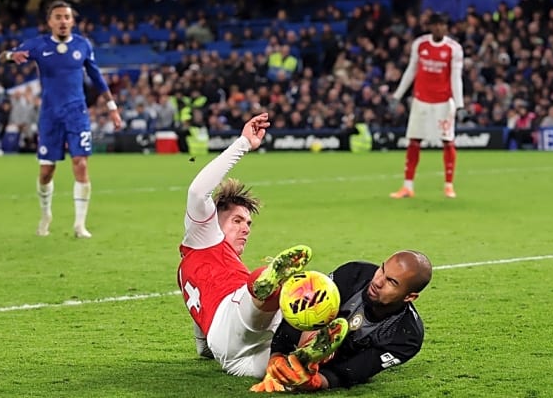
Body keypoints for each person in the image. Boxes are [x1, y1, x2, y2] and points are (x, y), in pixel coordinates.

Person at [178, 112, 349, 378]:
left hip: (231, 356)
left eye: (248, 224)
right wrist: (243, 144)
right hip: (235, 315)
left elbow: (200, 321)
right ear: (212, 218)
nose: (245, 228)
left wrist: (202, 348)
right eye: (237, 220)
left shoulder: (192, 264)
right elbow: (197, 192)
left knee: (288, 368)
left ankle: (304, 354)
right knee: (264, 284)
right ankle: (272, 287)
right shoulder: (205, 237)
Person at [0, 0, 122, 238]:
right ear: (50, 22)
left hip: (77, 113)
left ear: (72, 21)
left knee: (81, 164)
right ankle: (46, 214)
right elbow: (3, 55)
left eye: (67, 17)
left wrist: (112, 107)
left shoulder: (83, 45)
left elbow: (97, 77)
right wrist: (11, 57)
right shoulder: (38, 45)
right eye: (58, 17)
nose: (63, 21)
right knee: (46, 171)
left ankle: (79, 225)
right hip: (50, 115)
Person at [251, 250, 432, 392]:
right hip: (281, 330)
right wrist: (277, 355)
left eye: (391, 282)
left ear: (410, 296)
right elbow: (302, 314)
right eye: (382, 269)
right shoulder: (353, 273)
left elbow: (355, 371)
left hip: (330, 363)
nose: (378, 282)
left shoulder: (407, 337)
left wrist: (314, 382)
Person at [390, 12, 464, 199]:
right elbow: (411, 69)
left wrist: (460, 104)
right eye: (435, 24)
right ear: (430, 27)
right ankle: (407, 186)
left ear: (446, 27)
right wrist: (398, 94)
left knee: (447, 141)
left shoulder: (453, 49)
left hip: (443, 102)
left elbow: (456, 78)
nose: (439, 28)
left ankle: (448, 185)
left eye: (442, 25)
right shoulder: (420, 44)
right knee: (414, 141)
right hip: (421, 100)